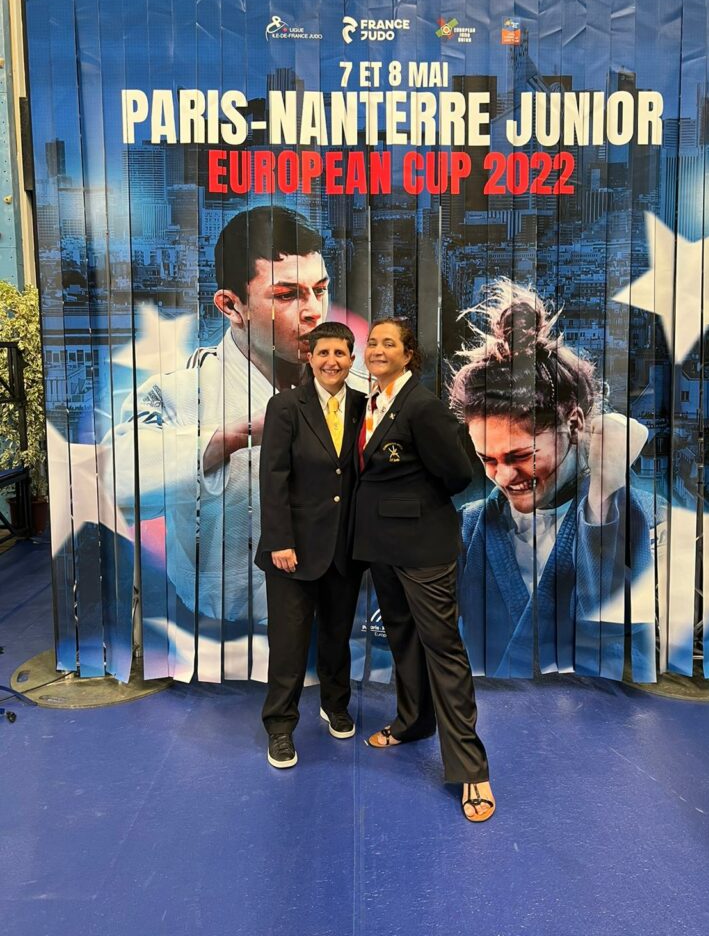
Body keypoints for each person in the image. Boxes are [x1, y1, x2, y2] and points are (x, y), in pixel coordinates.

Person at [112, 206, 333, 679]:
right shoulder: (179, 393)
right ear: (232, 306)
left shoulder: (353, 390)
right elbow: (120, 481)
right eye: (287, 295)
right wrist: (232, 437)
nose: (314, 311)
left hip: (328, 626)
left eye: (320, 289)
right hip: (214, 639)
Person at [449, 279, 661, 682]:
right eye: (487, 460)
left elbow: (613, 636)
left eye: (521, 456)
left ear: (574, 423)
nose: (503, 477)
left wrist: (604, 491)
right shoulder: (470, 525)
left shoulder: (629, 514)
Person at [353, 318, 495, 823]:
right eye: (372, 342)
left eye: (388, 343)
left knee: (443, 650)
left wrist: (409, 503)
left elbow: (457, 474)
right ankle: (413, 721)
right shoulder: (369, 403)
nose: (377, 349)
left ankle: (471, 768)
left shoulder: (422, 406)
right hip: (381, 546)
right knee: (403, 640)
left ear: (409, 354)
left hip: (423, 548)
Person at [256, 322, 365, 769]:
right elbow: (273, 477)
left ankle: (335, 705)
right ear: (310, 357)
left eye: (340, 353)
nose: (331, 361)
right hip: (293, 551)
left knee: (338, 636)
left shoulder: (365, 407)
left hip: (345, 548)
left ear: (352, 359)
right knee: (289, 645)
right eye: (323, 353)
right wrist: (280, 539)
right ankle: (280, 726)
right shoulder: (285, 406)